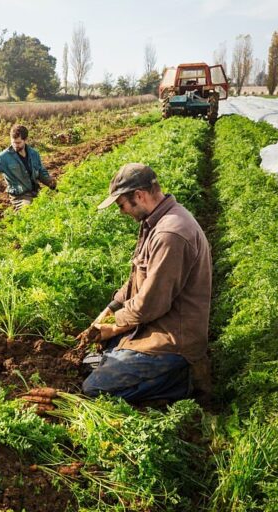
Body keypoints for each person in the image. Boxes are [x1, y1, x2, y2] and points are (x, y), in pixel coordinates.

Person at [77, 163, 212, 404]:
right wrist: (109, 310)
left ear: (139, 195)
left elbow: (150, 305)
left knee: (94, 389)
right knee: (96, 358)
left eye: (122, 205)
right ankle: (128, 358)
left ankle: (181, 381)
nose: (121, 212)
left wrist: (112, 325)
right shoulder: (153, 223)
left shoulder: (170, 234)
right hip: (152, 325)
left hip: (172, 340)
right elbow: (135, 279)